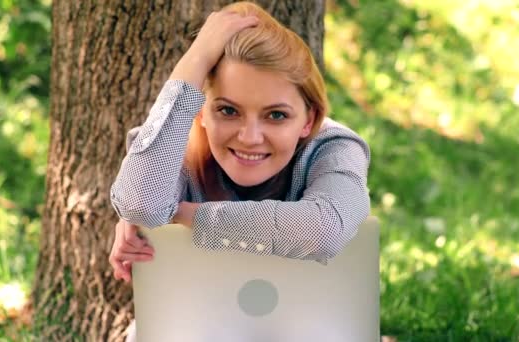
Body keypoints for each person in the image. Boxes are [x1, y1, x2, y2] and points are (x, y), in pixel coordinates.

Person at [108, 1, 370, 340]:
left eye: (276, 115)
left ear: (309, 120)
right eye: (228, 110)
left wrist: (181, 214)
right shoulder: (172, 144)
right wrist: (197, 57)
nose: (249, 138)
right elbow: (142, 204)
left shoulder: (333, 148)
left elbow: (322, 229)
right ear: (201, 110)